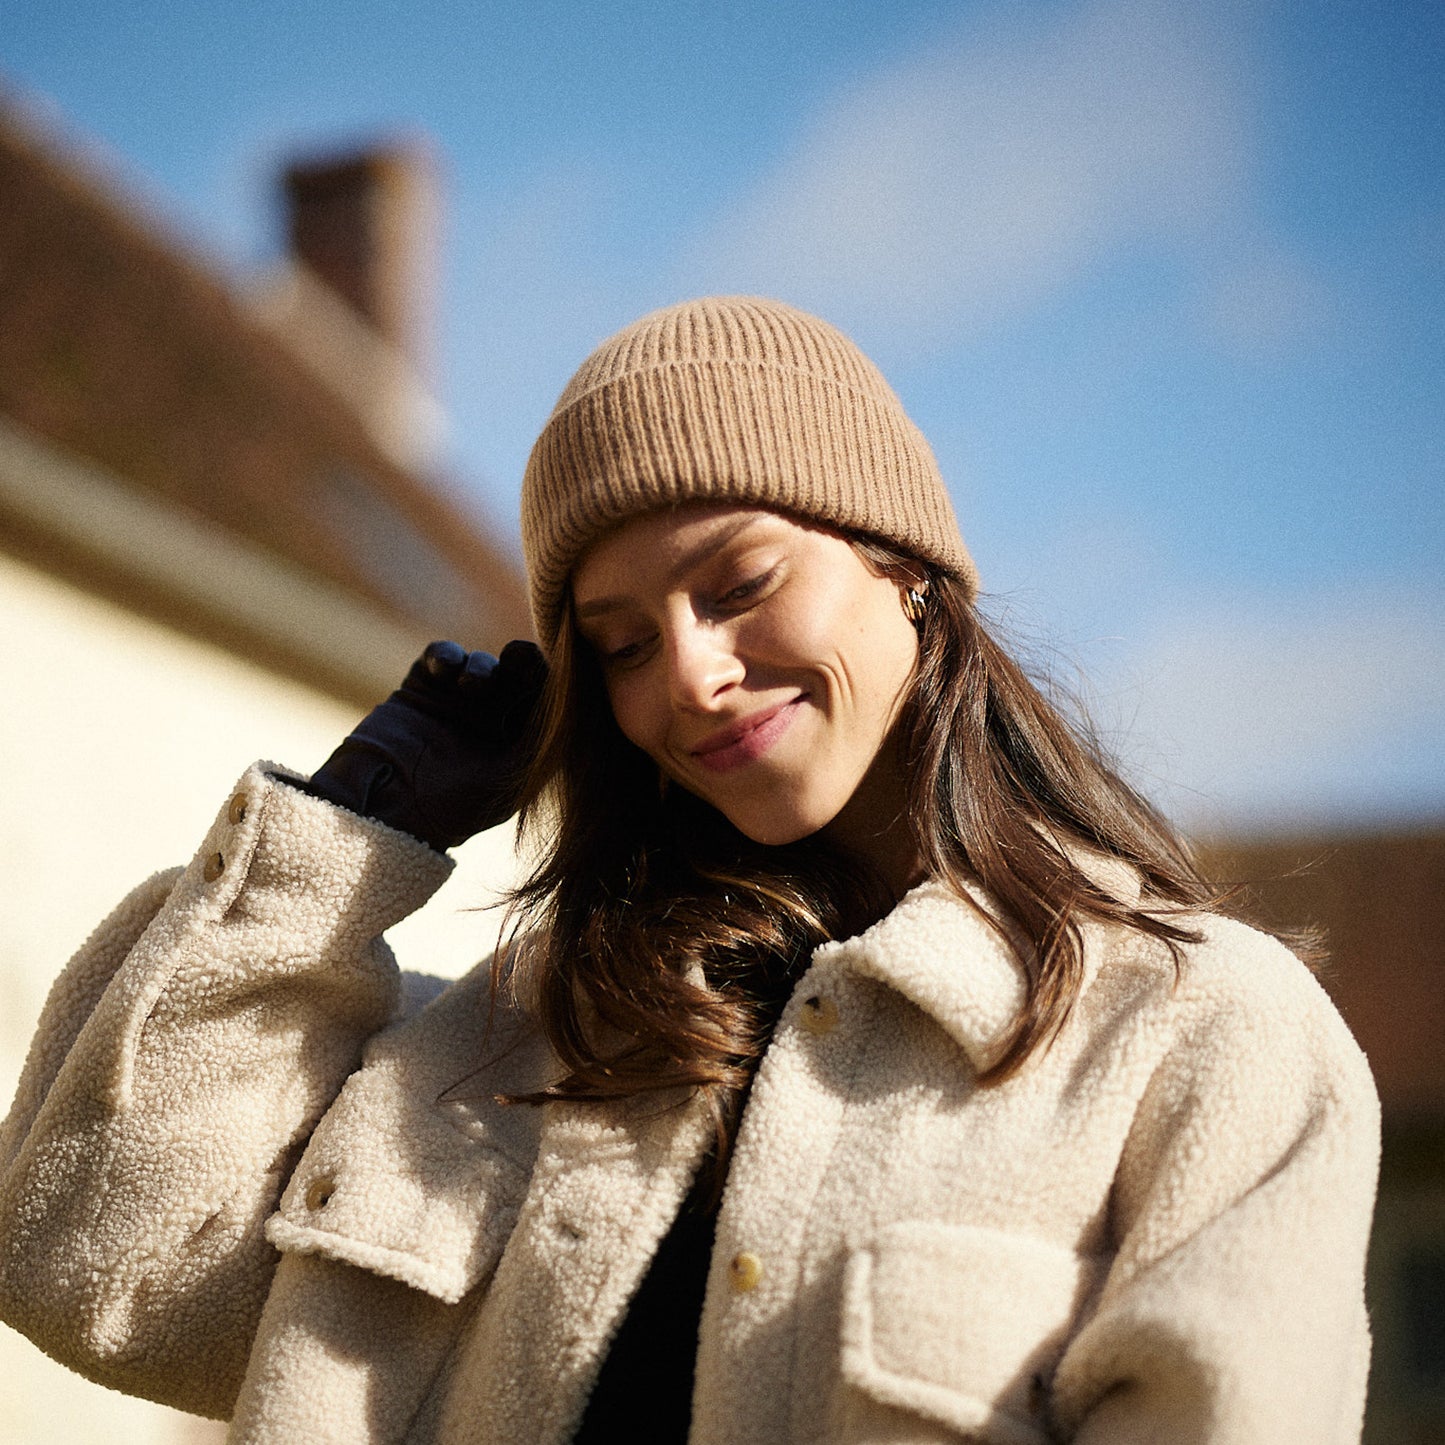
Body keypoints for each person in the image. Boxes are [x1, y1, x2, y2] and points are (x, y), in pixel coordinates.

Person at [0, 297, 1379, 1444]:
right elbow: (97, 1262)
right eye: (620, 641)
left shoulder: (1200, 1036)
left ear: (900, 561)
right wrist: (347, 829)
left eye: (736, 583)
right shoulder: (520, 1040)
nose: (692, 678)